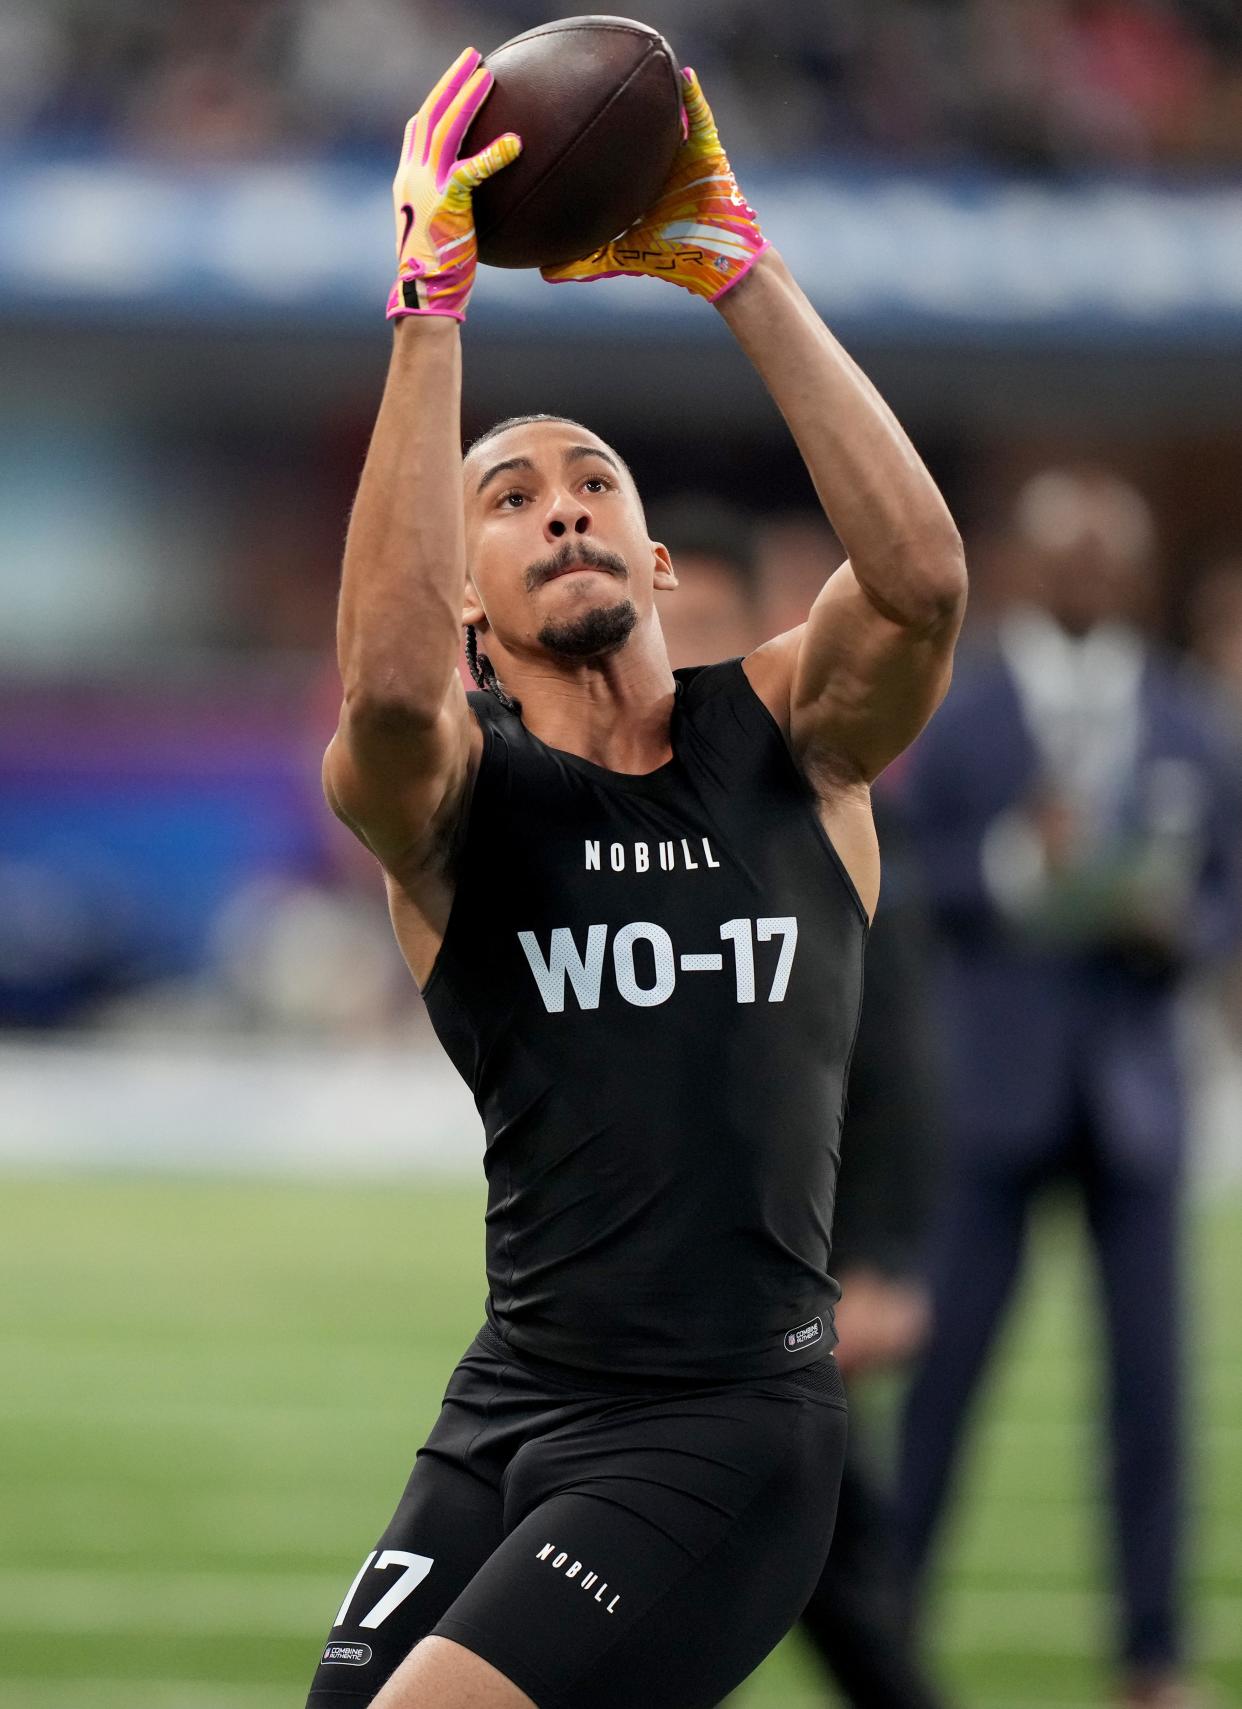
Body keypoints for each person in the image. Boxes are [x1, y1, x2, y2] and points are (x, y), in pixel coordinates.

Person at [306, 47, 966, 1709]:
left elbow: (923, 579)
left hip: (728, 1423)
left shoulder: (793, 737)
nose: (566, 510)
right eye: (511, 500)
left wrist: (738, 270)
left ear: (659, 556)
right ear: (467, 594)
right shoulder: (458, 803)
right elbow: (383, 695)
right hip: (512, 1398)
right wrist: (429, 315)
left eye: (595, 481)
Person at [893, 470, 1242, 1709]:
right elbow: (904, 873)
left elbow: (1228, 895)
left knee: (1154, 1397)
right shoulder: (961, 707)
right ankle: (889, 1628)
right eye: (1070, 546)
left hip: (1138, 1094)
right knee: (941, 1381)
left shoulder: (1192, 716)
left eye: (1113, 547)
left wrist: (1177, 924)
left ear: (1140, 570)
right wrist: (1012, 868)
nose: (1092, 566)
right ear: (1026, 565)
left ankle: (1153, 1656)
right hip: (990, 1087)